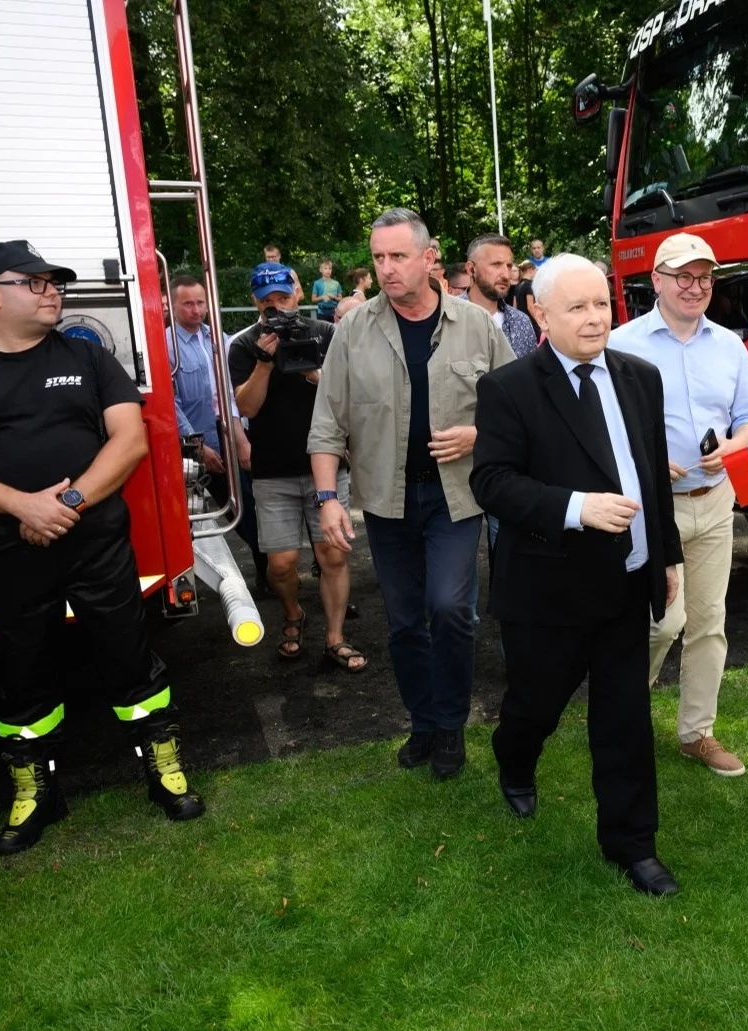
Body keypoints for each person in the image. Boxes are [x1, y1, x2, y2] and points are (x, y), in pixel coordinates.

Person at [0, 240, 206, 854]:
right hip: (9, 546)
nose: (52, 290)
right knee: (20, 668)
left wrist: (66, 505)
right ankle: (36, 793)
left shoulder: (88, 355)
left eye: (54, 282)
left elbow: (128, 440)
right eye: (34, 282)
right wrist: (23, 506)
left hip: (96, 542)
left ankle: (162, 769)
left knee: (128, 653)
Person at [470, 254, 683, 896]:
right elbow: (492, 481)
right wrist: (575, 507)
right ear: (539, 311)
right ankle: (516, 758)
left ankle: (632, 844)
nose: (595, 319)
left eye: (601, 304)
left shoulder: (640, 377)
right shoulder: (509, 389)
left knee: (624, 720)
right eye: (577, 308)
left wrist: (666, 552)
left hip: (625, 583)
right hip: (548, 588)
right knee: (536, 706)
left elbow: (652, 476)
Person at [308, 208, 515, 781]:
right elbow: (327, 422)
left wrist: (478, 433)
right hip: (386, 501)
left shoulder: (477, 325)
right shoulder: (354, 329)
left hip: (456, 498)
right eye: (378, 258)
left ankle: (450, 723)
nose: (386, 269)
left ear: (430, 257)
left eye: (398, 256)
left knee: (451, 609)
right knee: (402, 621)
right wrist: (328, 498)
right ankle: (424, 721)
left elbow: (519, 407)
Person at [609, 232, 748, 777]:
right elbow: (605, 432)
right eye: (683, 276)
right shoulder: (622, 344)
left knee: (708, 622)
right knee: (661, 621)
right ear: (656, 281)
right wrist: (648, 464)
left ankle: (696, 733)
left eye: (703, 277)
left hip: (716, 502)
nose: (695, 286)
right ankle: (622, 713)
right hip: (654, 510)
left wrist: (733, 446)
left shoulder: (728, 344)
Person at [229, 264, 366, 674]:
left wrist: (312, 372)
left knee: (333, 557)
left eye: (283, 299)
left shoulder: (324, 333)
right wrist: (266, 363)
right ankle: (293, 614)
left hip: (325, 463)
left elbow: (348, 396)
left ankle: (336, 637)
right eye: (267, 302)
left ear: (297, 293)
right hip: (273, 468)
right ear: (256, 302)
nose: (277, 308)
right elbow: (247, 407)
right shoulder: (245, 344)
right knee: (282, 564)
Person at [166, 274, 266, 592]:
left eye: (200, 303)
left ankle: (267, 572)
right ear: (172, 304)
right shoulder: (165, 344)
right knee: (198, 517)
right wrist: (196, 446)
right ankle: (187, 580)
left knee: (248, 506)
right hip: (196, 446)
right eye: (188, 304)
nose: (196, 310)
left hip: (230, 438)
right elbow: (171, 402)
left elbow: (229, 389)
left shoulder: (216, 338)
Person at [465, 234, 538, 358]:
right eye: (496, 265)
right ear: (472, 269)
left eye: (509, 266)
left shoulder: (521, 323)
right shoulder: (446, 318)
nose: (506, 275)